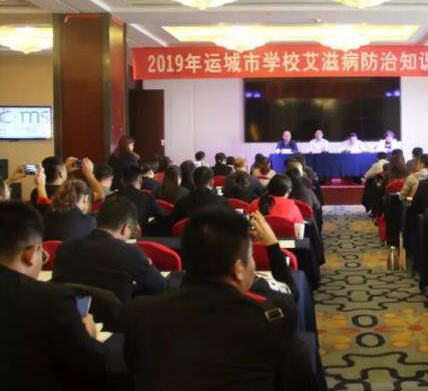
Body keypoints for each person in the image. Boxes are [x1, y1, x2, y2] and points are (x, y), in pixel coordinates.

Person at [119, 209, 315, 391]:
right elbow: (291, 292)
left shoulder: (139, 313)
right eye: (250, 257)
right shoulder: (272, 320)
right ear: (238, 269)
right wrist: (272, 245)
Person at [0, 201, 105, 390]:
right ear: (30, 254)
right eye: (42, 251)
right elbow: (91, 368)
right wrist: (88, 336)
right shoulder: (52, 301)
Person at [53, 196, 167, 305]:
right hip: (116, 318)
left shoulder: (64, 249)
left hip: (72, 316)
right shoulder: (129, 253)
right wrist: (146, 267)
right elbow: (162, 288)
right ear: (125, 228)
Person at [117, 166, 167, 234]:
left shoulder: (110, 198)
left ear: (121, 180)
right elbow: (161, 216)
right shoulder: (147, 198)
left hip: (112, 238)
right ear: (140, 181)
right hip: (141, 237)